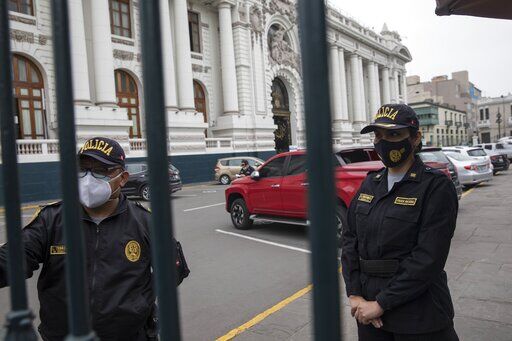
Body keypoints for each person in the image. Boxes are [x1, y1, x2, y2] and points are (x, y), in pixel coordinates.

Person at [0, 137, 189, 341]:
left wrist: (139, 303)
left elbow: (173, 269)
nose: (88, 178)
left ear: (123, 178)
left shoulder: (145, 223)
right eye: (83, 169)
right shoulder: (52, 220)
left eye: (101, 170)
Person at [341, 104, 459, 341]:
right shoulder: (370, 183)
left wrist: (382, 303)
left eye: (394, 134)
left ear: (415, 138)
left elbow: (428, 258)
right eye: (378, 135)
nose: (383, 142)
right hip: (368, 313)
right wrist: (354, 294)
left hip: (418, 313)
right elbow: (350, 240)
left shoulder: (434, 186)